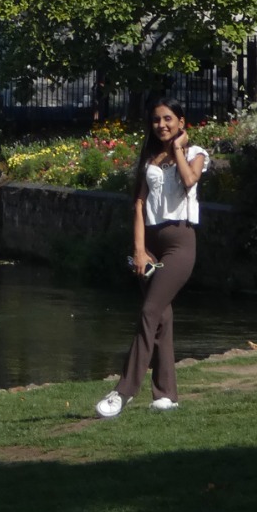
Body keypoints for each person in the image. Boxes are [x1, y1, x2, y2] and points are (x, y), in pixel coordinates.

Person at [96, 98, 208, 418]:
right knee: (161, 318)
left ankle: (123, 391)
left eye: (168, 118)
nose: (161, 125)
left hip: (179, 242)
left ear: (181, 122)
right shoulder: (149, 158)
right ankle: (166, 394)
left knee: (149, 311)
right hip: (150, 243)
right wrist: (139, 250)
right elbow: (139, 205)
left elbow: (189, 180)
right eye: (156, 120)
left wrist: (178, 149)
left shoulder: (196, 153)